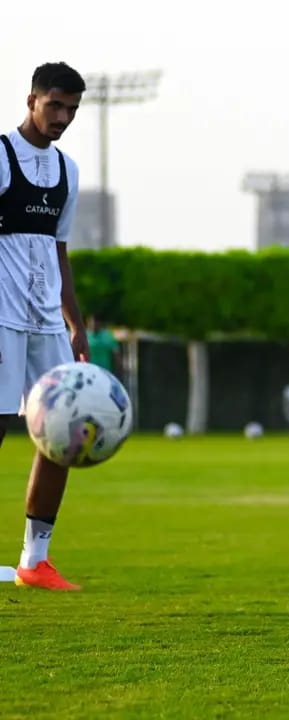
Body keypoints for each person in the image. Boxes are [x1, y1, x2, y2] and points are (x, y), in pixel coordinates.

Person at [0, 62, 89, 590]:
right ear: (31, 100)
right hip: (1, 318)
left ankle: (35, 560)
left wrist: (75, 324)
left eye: (71, 109)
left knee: (63, 431)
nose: (62, 117)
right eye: (54, 105)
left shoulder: (68, 171)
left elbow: (60, 252)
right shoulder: (1, 156)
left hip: (47, 322)